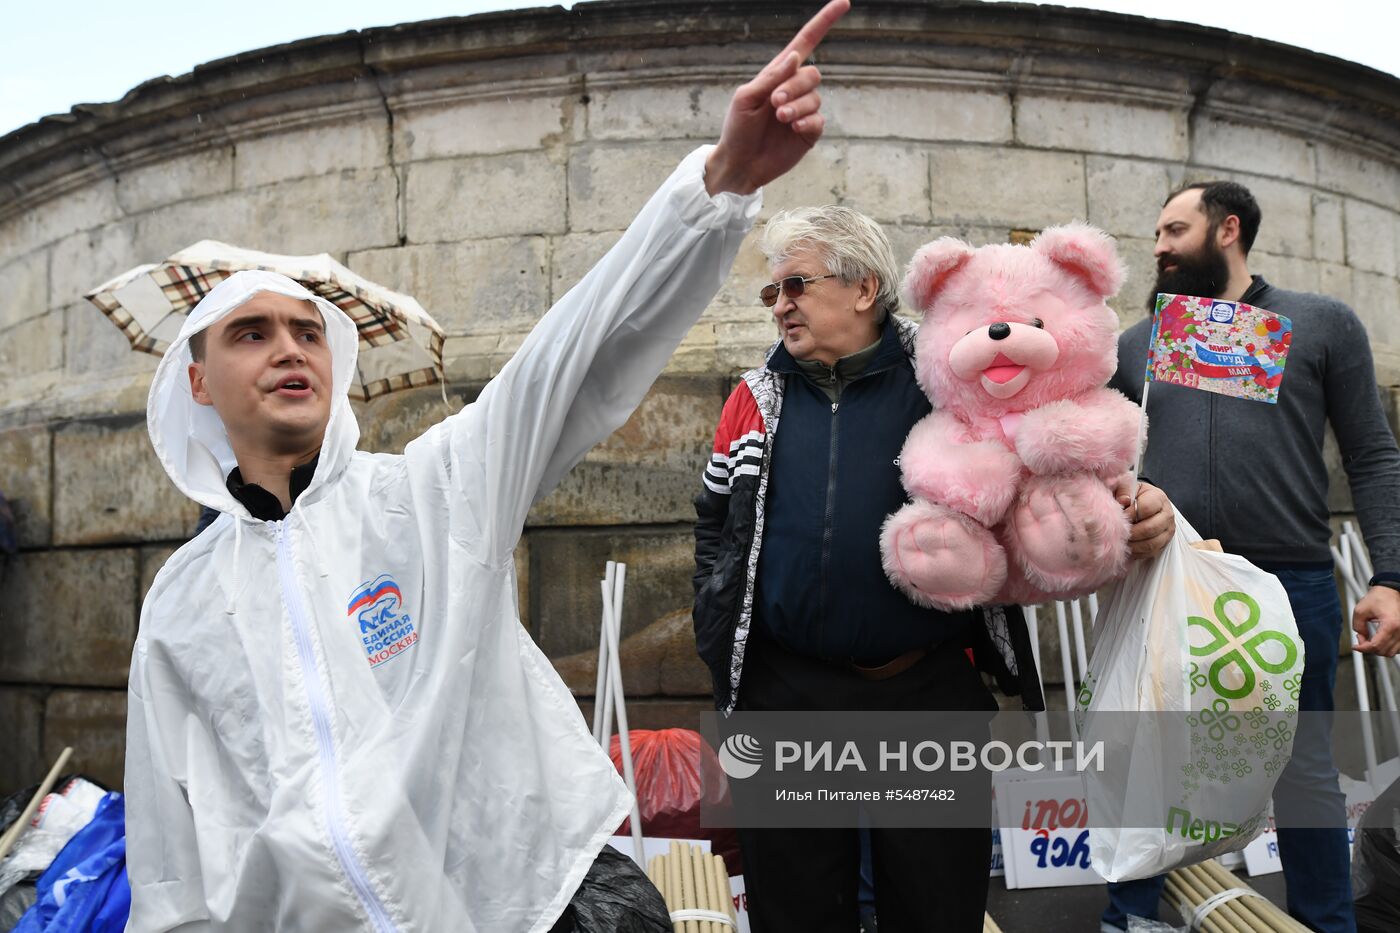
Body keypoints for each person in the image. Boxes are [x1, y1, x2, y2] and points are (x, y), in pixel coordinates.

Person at [123, 3, 851, 929]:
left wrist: (717, 186)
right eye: (251, 333)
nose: (289, 349)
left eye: (309, 331)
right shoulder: (182, 604)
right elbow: (170, 849)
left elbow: (572, 354)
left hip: (539, 897)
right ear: (197, 378)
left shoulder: (429, 493)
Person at [691, 205, 1176, 932]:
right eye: (773, 293)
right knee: (793, 913)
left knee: (935, 909)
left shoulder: (949, 377)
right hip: (784, 693)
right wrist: (721, 635)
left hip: (922, 692)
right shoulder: (751, 398)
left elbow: (1050, 475)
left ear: (863, 288)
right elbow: (712, 520)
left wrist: (1143, 503)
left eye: (794, 284)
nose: (780, 304)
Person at [1101, 181, 1400, 933]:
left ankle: (1328, 924)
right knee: (1148, 759)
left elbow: (1372, 454)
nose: (1159, 245)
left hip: (1289, 581)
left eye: (1175, 228)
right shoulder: (1136, 344)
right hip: (1165, 580)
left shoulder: (1322, 324)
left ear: (1228, 228)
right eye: (1158, 231)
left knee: (1301, 771)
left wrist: (1392, 575)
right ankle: (1127, 918)